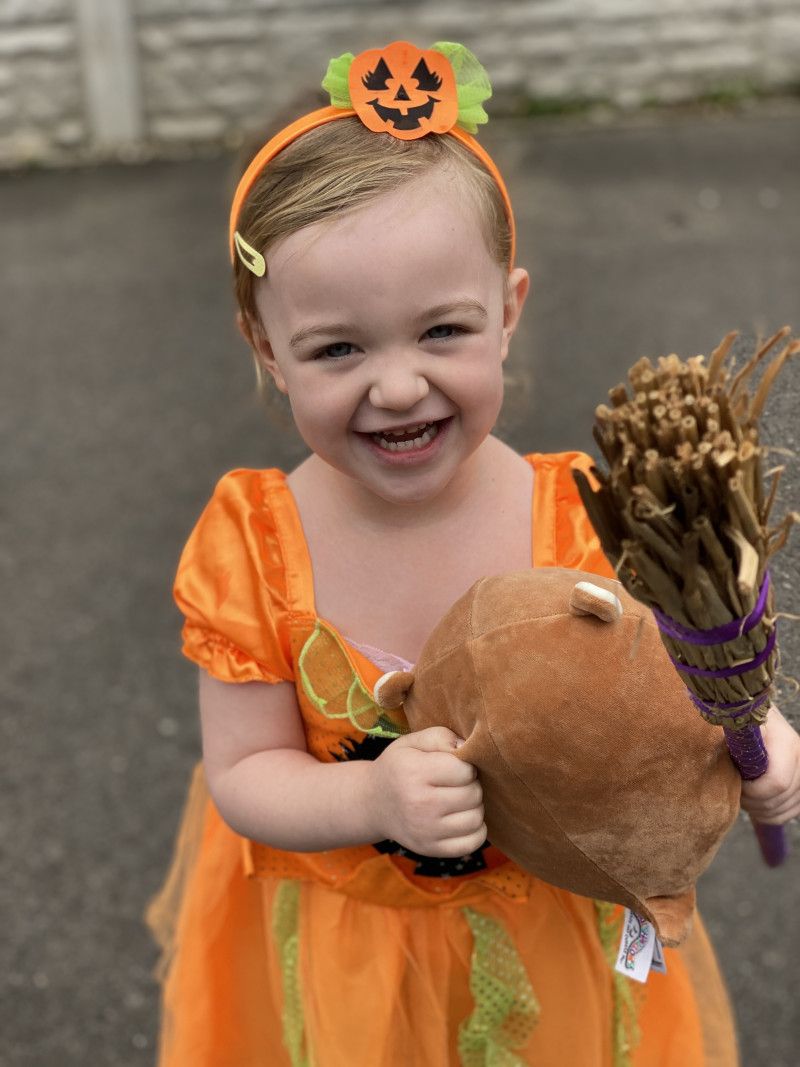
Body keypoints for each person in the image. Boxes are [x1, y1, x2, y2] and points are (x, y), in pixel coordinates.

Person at [147, 41, 800, 1067]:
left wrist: (753, 727)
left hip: (557, 940)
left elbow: (677, 681)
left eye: (441, 330)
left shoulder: (586, 515)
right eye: (337, 348)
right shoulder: (255, 541)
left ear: (508, 309)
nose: (398, 385)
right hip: (356, 959)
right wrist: (366, 797)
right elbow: (241, 772)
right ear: (266, 349)